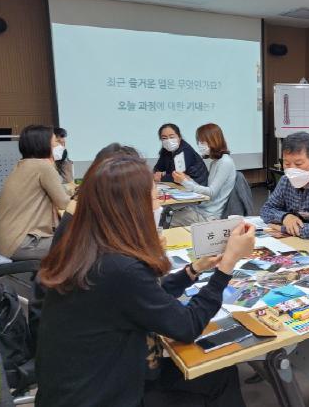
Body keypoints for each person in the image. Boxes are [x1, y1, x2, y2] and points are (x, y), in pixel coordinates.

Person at [36, 154, 255, 407]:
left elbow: (145, 296)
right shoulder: (120, 268)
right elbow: (187, 326)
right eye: (155, 198)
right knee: (217, 373)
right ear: (132, 209)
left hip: (80, 384)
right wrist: (227, 265)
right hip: (104, 394)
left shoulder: (88, 246)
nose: (159, 206)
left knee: (219, 374)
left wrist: (193, 269)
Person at [0, 125, 70, 260]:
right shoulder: (42, 166)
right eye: (56, 141)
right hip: (22, 244)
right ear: (43, 144)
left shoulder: (24, 164)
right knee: (83, 246)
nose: (59, 146)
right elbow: (64, 203)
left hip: (4, 243)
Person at [172, 123, 236, 225]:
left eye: (202, 142)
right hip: (202, 210)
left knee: (167, 219)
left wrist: (184, 182)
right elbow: (207, 190)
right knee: (169, 212)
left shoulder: (225, 162)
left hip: (209, 216)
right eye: (198, 141)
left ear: (213, 140)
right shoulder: (215, 162)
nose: (199, 145)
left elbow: (211, 193)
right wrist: (188, 180)